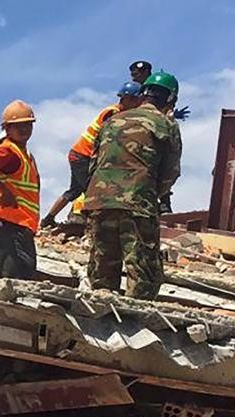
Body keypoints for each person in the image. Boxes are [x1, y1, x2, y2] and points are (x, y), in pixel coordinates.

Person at [83, 71, 182, 301]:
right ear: (170, 99)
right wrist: (152, 193)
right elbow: (170, 172)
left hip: (99, 201)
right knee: (142, 271)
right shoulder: (166, 124)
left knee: (102, 270)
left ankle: (99, 325)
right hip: (137, 203)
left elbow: (93, 164)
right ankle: (136, 327)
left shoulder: (112, 121)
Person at [42, 83, 142, 228]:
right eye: (135, 101)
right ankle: (89, 223)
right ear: (127, 99)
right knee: (94, 190)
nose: (137, 105)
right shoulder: (114, 114)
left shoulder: (114, 111)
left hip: (78, 154)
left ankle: (48, 219)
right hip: (84, 155)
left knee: (74, 191)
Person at [0, 100, 41, 279]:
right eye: (19, 126)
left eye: (28, 124)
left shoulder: (24, 154)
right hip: (8, 223)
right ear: (7, 129)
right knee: (16, 277)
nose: (25, 129)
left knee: (24, 273)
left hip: (20, 223)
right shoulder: (8, 152)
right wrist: (5, 191)